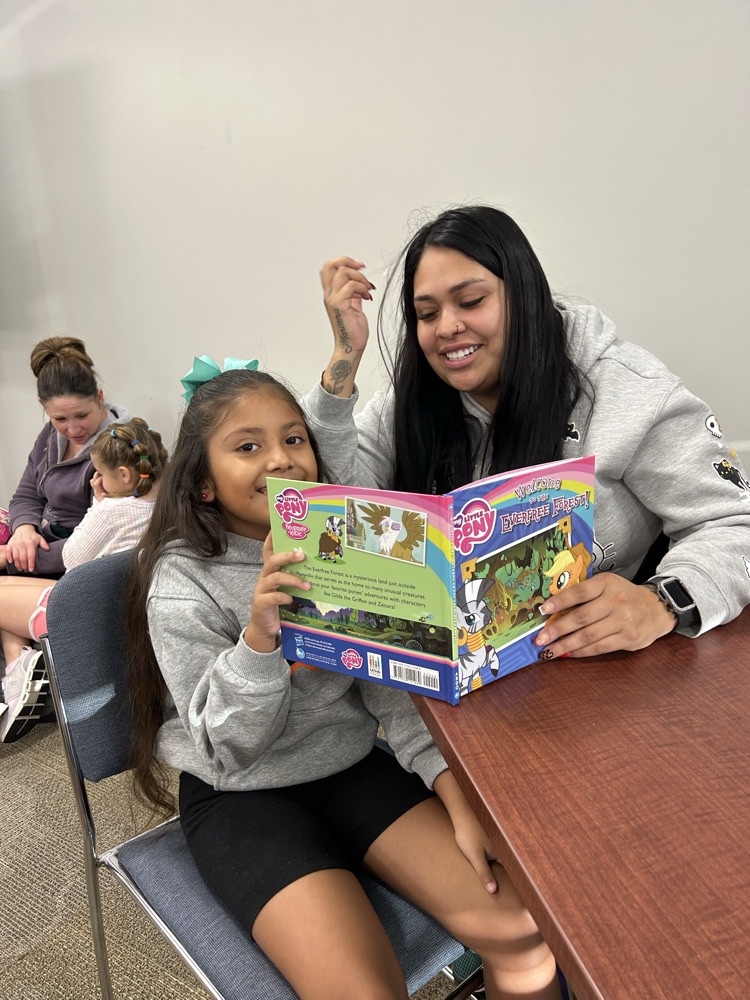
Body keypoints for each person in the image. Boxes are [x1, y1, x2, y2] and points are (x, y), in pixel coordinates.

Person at [125, 361, 565, 1000]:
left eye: (294, 438)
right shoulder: (182, 579)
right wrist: (260, 641)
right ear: (202, 484)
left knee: (525, 930)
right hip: (242, 796)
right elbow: (226, 750)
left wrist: (452, 791)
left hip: (352, 767)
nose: (281, 459)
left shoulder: (339, 542)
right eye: (247, 446)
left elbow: (391, 684)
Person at [304, 205, 750, 658]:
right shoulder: (408, 404)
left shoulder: (630, 391)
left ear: (524, 295)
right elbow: (332, 508)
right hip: (450, 681)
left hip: (591, 679)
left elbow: (737, 522)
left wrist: (663, 601)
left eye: (471, 301)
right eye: (427, 313)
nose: (448, 327)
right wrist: (345, 356)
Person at [0, 418, 167, 744]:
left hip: (92, 612)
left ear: (123, 475)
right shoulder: (170, 502)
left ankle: (17, 673)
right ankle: (18, 666)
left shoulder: (114, 511)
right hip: (126, 605)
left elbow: (73, 558)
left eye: (101, 474)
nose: (97, 481)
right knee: (5, 588)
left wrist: (99, 504)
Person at [1, 336, 132, 578]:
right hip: (37, 548)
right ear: (44, 407)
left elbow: (100, 542)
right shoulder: (50, 435)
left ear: (100, 397)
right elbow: (26, 494)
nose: (73, 430)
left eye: (82, 416)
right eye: (60, 419)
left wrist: (12, 557)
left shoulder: (119, 451)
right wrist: (23, 530)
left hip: (75, 566)